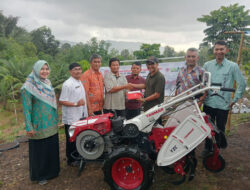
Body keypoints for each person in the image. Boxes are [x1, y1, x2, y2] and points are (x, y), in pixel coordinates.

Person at [202, 40, 246, 156]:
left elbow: (242, 84)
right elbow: (203, 83)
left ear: (226, 50)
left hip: (223, 105)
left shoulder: (232, 66)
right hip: (209, 102)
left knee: (220, 128)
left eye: (222, 49)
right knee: (207, 127)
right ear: (214, 51)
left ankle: (217, 151)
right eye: (217, 49)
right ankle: (207, 147)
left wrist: (235, 99)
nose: (219, 51)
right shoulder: (207, 65)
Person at [21, 60, 60, 185]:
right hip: (38, 126)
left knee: (51, 148)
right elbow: (27, 109)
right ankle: (40, 175)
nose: (45, 71)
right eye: (42, 69)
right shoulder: (27, 87)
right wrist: (29, 126)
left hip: (51, 124)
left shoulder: (47, 83)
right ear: (36, 70)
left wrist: (56, 120)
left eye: (47, 69)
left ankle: (53, 171)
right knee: (40, 152)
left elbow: (53, 105)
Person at [59, 63, 88, 166]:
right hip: (71, 118)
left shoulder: (79, 82)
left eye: (80, 69)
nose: (78, 71)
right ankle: (71, 160)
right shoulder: (67, 84)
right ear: (70, 72)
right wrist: (76, 104)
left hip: (79, 116)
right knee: (71, 139)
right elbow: (62, 101)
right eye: (75, 69)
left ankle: (78, 156)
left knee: (78, 138)